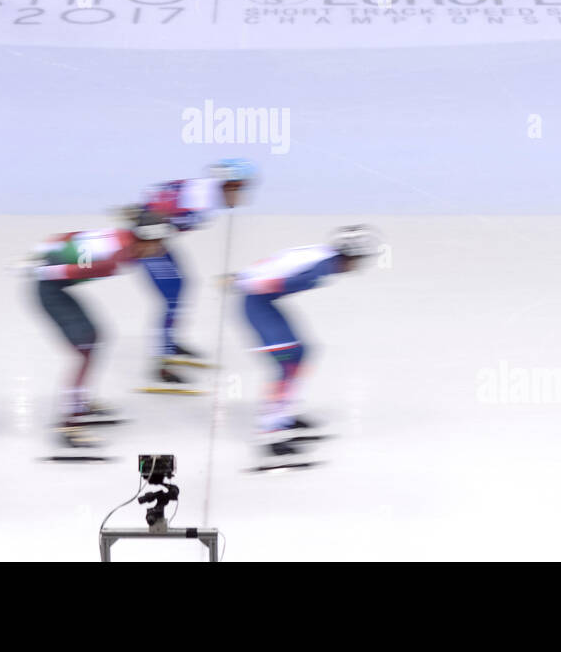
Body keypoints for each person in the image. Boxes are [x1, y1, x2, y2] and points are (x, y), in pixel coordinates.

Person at [29, 212, 174, 449]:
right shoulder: (117, 256)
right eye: (158, 244)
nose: (161, 250)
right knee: (85, 345)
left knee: (94, 337)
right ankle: (69, 425)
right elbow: (76, 269)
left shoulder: (122, 239)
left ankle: (80, 403)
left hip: (56, 286)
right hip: (49, 289)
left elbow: (75, 237)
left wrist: (45, 248)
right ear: (145, 240)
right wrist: (44, 268)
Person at [234, 225, 381, 458]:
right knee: (287, 363)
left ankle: (284, 416)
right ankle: (269, 431)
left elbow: (283, 261)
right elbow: (274, 278)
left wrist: (248, 276)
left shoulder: (326, 259)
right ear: (351, 255)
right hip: (256, 305)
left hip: (263, 303)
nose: (361, 265)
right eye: (361, 259)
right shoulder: (320, 268)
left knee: (301, 354)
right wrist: (244, 280)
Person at [135, 159, 255, 385]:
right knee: (171, 296)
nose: (244, 194)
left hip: (156, 238)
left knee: (182, 285)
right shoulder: (200, 199)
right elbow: (156, 204)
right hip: (145, 242)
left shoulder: (206, 194)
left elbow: (159, 192)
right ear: (227, 185)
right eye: (242, 187)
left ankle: (169, 343)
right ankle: (162, 363)